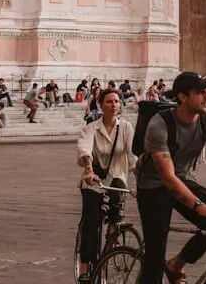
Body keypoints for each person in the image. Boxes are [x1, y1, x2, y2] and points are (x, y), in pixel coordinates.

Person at [135, 72, 206, 284]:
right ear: (182, 97)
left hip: (183, 179)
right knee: (154, 260)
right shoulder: (159, 124)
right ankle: (160, 267)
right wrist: (199, 206)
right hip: (153, 186)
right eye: (200, 92)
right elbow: (168, 178)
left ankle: (175, 265)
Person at [75, 89, 136, 282]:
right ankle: (85, 266)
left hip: (116, 175)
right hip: (93, 179)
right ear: (101, 105)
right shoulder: (91, 128)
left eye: (117, 101)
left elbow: (133, 157)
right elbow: (85, 150)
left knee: (117, 197)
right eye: (109, 102)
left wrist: (142, 181)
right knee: (91, 221)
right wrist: (88, 170)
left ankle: (112, 231)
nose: (114, 105)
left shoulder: (126, 127)